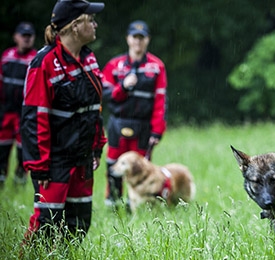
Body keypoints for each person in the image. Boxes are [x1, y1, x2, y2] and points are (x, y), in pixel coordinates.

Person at [21, 0, 107, 247]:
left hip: (83, 159)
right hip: (54, 163)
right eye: (90, 20)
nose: (95, 24)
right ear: (74, 26)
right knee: (46, 226)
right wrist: (40, 166)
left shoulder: (90, 59)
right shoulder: (44, 63)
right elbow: (34, 118)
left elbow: (94, 109)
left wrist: (97, 146)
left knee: (78, 225)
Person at [102, 20, 168, 207]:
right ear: (127, 39)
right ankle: (112, 205)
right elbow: (104, 93)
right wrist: (122, 87)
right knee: (113, 165)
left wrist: (157, 131)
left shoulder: (157, 67)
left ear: (147, 40)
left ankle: (137, 206)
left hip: (143, 126)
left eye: (142, 38)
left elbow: (160, 102)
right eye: (134, 37)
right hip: (118, 123)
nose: (138, 41)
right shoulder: (114, 65)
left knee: (141, 168)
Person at [0, 22, 37, 186]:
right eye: (23, 36)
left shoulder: (36, 58)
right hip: (5, 111)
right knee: (2, 149)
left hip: (25, 113)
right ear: (16, 37)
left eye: (29, 37)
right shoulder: (7, 56)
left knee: (23, 151)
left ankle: (19, 182)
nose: (26, 40)